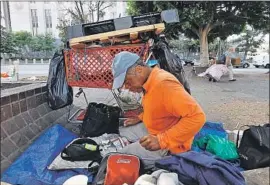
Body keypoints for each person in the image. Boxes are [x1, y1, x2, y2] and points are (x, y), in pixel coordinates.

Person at [111, 51, 206, 169]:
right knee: (122, 131)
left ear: (139, 70)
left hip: (169, 145)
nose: (127, 87)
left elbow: (197, 117)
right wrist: (140, 117)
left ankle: (165, 157)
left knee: (117, 157)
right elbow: (157, 107)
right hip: (156, 130)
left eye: (127, 82)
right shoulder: (149, 81)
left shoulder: (164, 85)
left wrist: (161, 141)